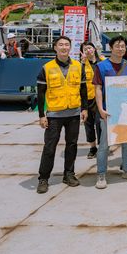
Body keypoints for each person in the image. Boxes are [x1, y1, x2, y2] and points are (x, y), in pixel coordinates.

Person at [35, 35, 88, 194]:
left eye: (67, 45)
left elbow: (83, 90)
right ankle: (43, 178)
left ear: (70, 48)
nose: (64, 47)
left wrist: (84, 109)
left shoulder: (78, 66)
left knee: (72, 145)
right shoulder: (47, 67)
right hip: (54, 115)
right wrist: (41, 115)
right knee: (50, 147)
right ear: (55, 48)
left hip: (73, 113)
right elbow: (40, 93)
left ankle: (69, 174)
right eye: (61, 45)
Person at [93, 35, 127, 189]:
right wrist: (101, 109)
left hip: (126, 113)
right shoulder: (101, 66)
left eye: (123, 46)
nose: (121, 49)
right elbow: (98, 88)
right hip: (109, 112)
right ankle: (101, 174)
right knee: (104, 145)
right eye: (118, 46)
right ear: (111, 47)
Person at [80, 41, 103, 159]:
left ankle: (102, 146)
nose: (88, 51)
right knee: (88, 124)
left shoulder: (103, 61)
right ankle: (93, 147)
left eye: (90, 48)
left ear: (94, 49)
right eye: (85, 49)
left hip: (101, 97)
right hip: (87, 98)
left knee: (100, 123)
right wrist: (82, 64)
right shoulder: (81, 65)